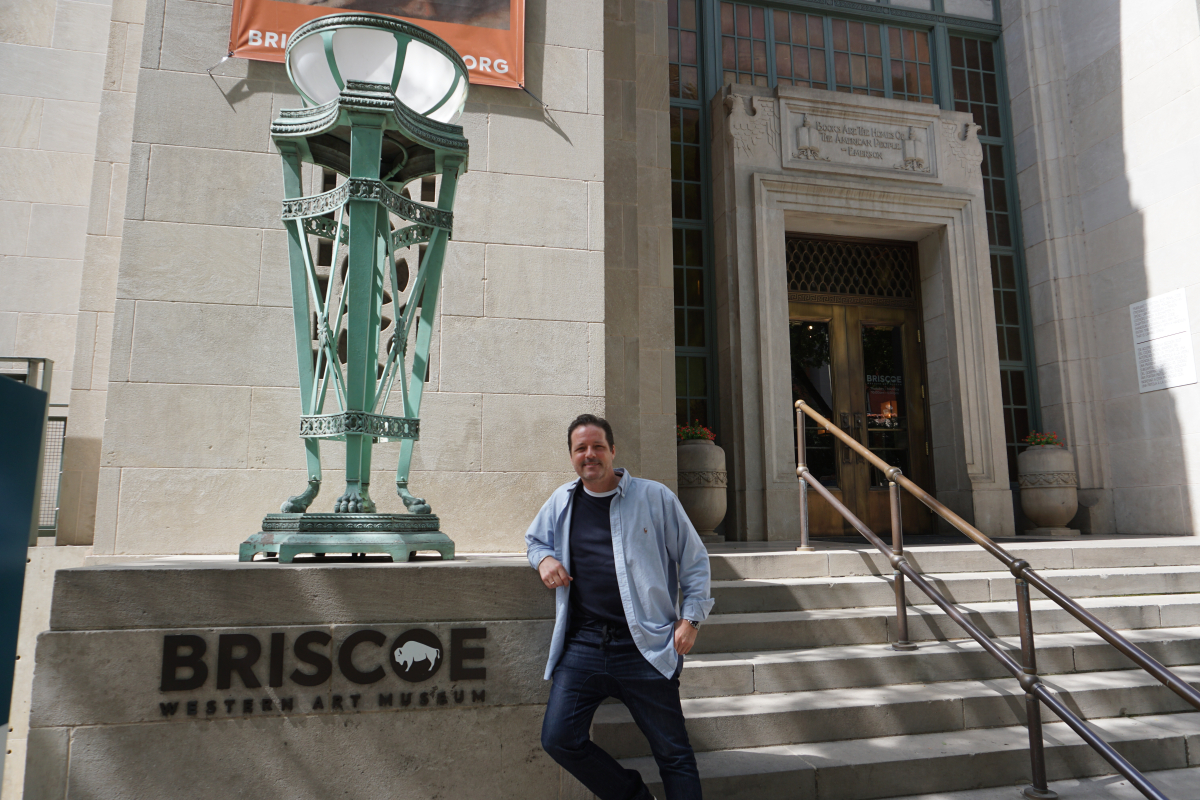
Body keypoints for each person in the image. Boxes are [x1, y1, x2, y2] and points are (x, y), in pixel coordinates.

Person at [525, 414, 714, 800]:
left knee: (674, 754)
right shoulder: (562, 501)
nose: (589, 455)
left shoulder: (654, 497)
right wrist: (543, 559)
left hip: (646, 647)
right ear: (572, 456)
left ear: (613, 451)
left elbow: (694, 560)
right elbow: (535, 541)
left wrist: (691, 618)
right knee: (559, 738)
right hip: (584, 646)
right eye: (581, 449)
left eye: (597, 447)